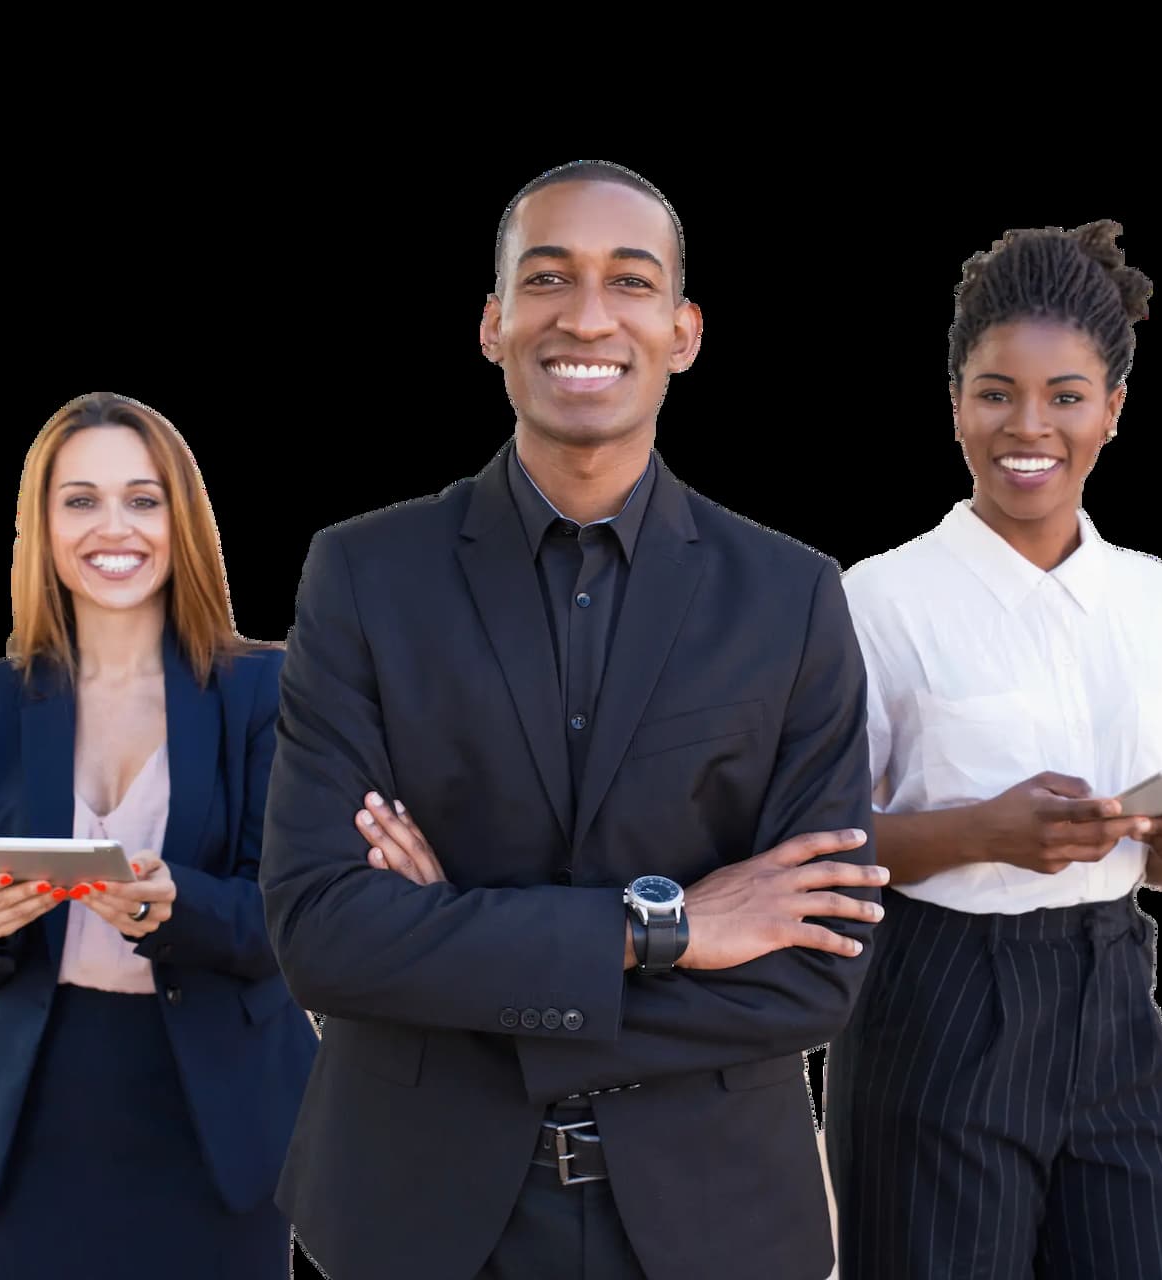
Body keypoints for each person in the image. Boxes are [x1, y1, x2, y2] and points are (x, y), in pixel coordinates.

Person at [257, 160, 891, 1280]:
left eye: (628, 281)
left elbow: (814, 973)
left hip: (715, 1224)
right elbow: (322, 934)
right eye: (547, 278)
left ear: (683, 330)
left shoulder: (792, 596)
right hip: (417, 1217)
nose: (585, 315)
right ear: (495, 324)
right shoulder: (361, 575)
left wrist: (455, 946)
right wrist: (668, 930)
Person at [823, 222, 1162, 1278]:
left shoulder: (1160, 601)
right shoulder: (878, 602)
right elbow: (812, 846)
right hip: (937, 1009)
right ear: (955, 397)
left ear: (1114, 410)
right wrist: (982, 831)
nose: (1029, 425)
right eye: (996, 391)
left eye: (1066, 394)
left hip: (1115, 1001)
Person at [0, 393, 322, 1279]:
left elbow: (296, 923)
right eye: (80, 500)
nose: (114, 528)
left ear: (182, 519)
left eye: (143, 499)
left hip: (217, 1124)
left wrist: (181, 907)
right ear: (44, 525)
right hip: (29, 1125)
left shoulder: (268, 691)